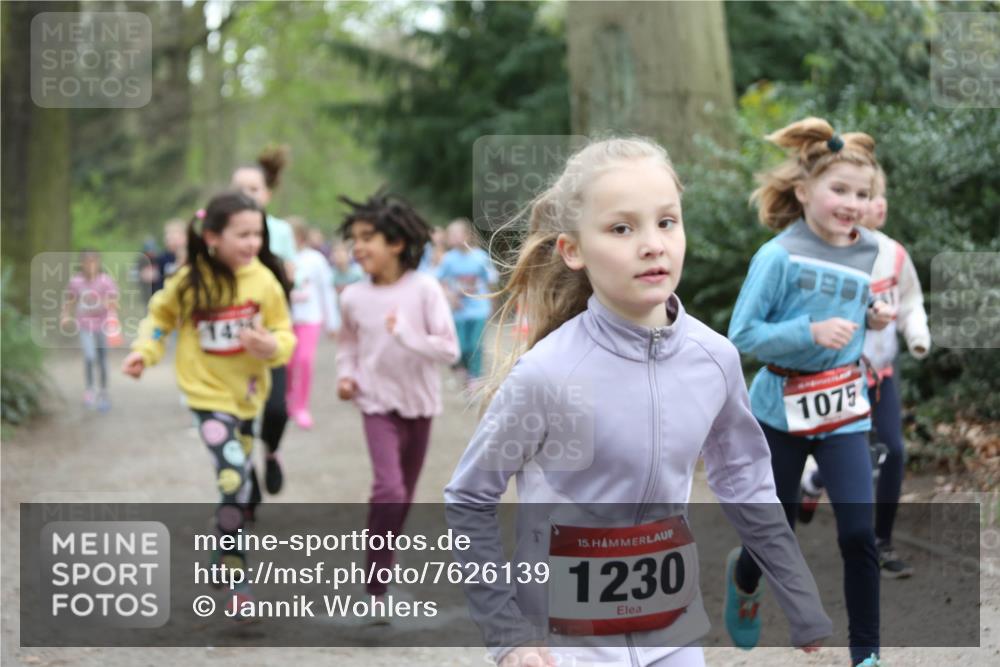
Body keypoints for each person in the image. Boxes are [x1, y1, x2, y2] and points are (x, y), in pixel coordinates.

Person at [444, 137, 830, 667]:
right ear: (573, 250)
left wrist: (797, 592)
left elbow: (745, 477)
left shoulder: (714, 359)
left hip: (671, 632)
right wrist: (507, 635)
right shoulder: (549, 373)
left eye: (666, 222)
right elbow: (469, 498)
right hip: (564, 644)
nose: (653, 244)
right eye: (622, 228)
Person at [726, 118, 889, 667]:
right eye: (839, 189)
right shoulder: (777, 256)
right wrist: (807, 333)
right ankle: (745, 578)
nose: (852, 203)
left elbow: (852, 312)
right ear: (803, 192)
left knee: (859, 532)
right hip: (778, 411)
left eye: (862, 194)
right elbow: (742, 335)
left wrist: (874, 316)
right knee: (776, 527)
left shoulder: (870, 252)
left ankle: (866, 653)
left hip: (844, 410)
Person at [122, 191, 295, 617]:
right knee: (234, 477)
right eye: (243, 234)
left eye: (258, 233)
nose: (253, 243)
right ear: (213, 236)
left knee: (241, 486)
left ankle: (220, 554)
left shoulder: (264, 281)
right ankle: (238, 581)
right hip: (206, 396)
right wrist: (143, 352)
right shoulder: (190, 280)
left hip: (248, 398)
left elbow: (284, 334)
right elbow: (159, 319)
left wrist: (270, 344)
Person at [799, 164, 930, 579]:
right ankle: (814, 480)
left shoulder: (895, 254)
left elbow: (910, 301)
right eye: (867, 196)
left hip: (883, 373)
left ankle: (881, 542)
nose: (878, 204)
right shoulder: (828, 253)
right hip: (839, 373)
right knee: (849, 452)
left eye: (877, 195)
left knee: (891, 449)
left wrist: (916, 333)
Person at [335, 191, 459, 612]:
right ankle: (374, 588)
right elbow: (347, 346)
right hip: (375, 403)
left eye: (368, 236)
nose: (358, 246)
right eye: (355, 238)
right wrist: (347, 376)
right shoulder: (352, 296)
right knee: (388, 490)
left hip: (420, 404)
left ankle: (380, 574)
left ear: (397, 243)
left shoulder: (425, 289)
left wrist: (406, 334)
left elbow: (449, 350)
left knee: (402, 496)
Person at [232, 145, 296, 496]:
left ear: (266, 194)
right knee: (240, 414)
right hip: (232, 339)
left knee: (276, 410)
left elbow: (288, 282)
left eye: (253, 189)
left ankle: (271, 451)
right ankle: (248, 480)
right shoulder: (220, 233)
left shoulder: (280, 231)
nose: (247, 196)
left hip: (271, 333)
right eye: (239, 190)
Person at [287, 217, 340, 429]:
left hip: (310, 318)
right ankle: (287, 401)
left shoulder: (315, 259)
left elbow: (326, 290)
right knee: (287, 363)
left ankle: (301, 406)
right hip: (286, 320)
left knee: (305, 360)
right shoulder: (279, 258)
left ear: (300, 236)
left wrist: (332, 322)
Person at [435, 218, 498, 386]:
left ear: (468, 235)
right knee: (460, 346)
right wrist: (450, 296)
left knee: (476, 345)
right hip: (458, 311)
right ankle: (460, 369)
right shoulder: (448, 259)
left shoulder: (480, 257)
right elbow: (438, 281)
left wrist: (492, 303)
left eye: (457, 233)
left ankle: (474, 377)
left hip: (478, 309)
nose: (454, 237)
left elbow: (491, 280)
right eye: (451, 234)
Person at [61, 249, 120, 413]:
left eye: (94, 262)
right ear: (81, 263)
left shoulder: (105, 281)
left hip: (102, 324)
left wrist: (106, 304)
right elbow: (70, 300)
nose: (90, 265)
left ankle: (103, 392)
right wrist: (65, 316)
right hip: (85, 324)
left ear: (99, 262)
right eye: (87, 262)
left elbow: (114, 302)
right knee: (89, 356)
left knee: (102, 358)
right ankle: (89, 389)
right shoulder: (76, 281)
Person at [153, 219, 188, 293]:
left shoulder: (192, 255)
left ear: (185, 237)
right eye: (167, 234)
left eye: (173, 234)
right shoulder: (162, 258)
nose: (168, 238)